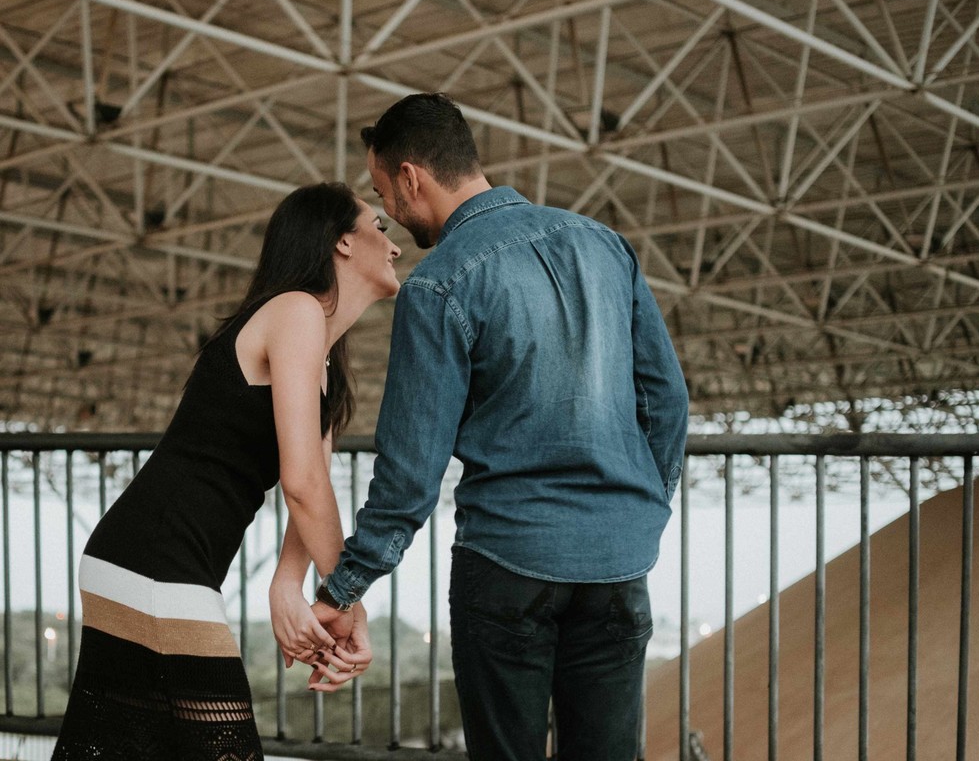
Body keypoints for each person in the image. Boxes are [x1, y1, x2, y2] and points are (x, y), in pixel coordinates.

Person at [311, 93, 690, 761]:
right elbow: (666, 400)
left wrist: (345, 586)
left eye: (382, 192)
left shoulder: (441, 284)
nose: (391, 215)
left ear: (410, 177)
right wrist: (642, 512)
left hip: (508, 564)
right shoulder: (605, 247)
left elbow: (411, 471)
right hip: (616, 566)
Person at [51, 182, 396, 760]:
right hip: (155, 561)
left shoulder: (327, 369)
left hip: (149, 559)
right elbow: (304, 488)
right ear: (341, 241)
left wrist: (291, 583)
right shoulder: (296, 311)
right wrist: (347, 600)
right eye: (378, 226)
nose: (394, 244)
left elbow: (309, 485)